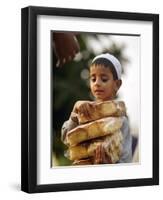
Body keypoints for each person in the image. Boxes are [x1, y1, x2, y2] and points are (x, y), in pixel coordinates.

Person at [61, 53, 132, 164]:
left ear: (117, 85)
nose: (97, 83)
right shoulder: (84, 111)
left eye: (104, 79)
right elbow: (66, 138)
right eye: (93, 79)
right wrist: (74, 113)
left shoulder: (122, 122)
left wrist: (108, 164)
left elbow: (126, 160)